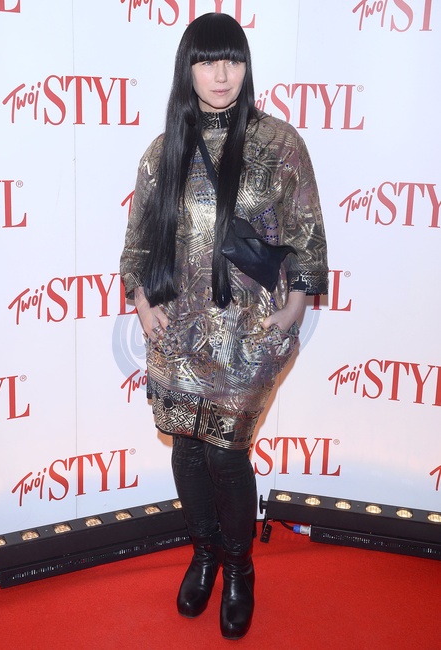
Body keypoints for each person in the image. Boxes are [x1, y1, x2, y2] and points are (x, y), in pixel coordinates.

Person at [120, 12, 328, 641]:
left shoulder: (279, 143)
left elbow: (307, 234)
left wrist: (291, 313)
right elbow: (138, 243)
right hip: (178, 331)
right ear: (187, 69)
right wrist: (143, 306)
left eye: (232, 60)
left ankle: (239, 568)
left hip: (248, 334)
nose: (221, 74)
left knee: (225, 453)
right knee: (186, 447)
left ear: (246, 66)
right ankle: (204, 553)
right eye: (207, 61)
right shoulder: (164, 150)